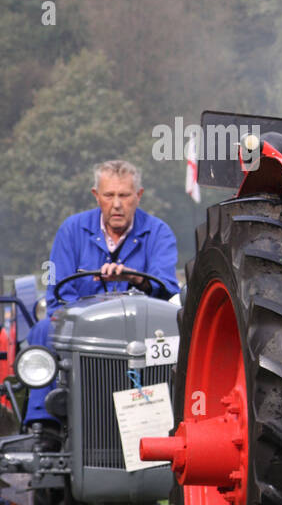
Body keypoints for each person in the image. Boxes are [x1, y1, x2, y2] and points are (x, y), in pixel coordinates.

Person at [24, 159, 180, 435]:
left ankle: (172, 420)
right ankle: (44, 426)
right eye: (109, 195)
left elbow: (168, 290)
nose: (117, 204)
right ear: (96, 196)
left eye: (124, 195)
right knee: (44, 329)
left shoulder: (159, 233)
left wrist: (134, 278)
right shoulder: (71, 230)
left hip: (141, 330)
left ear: (138, 196)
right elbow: (59, 296)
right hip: (84, 332)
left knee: (177, 338)